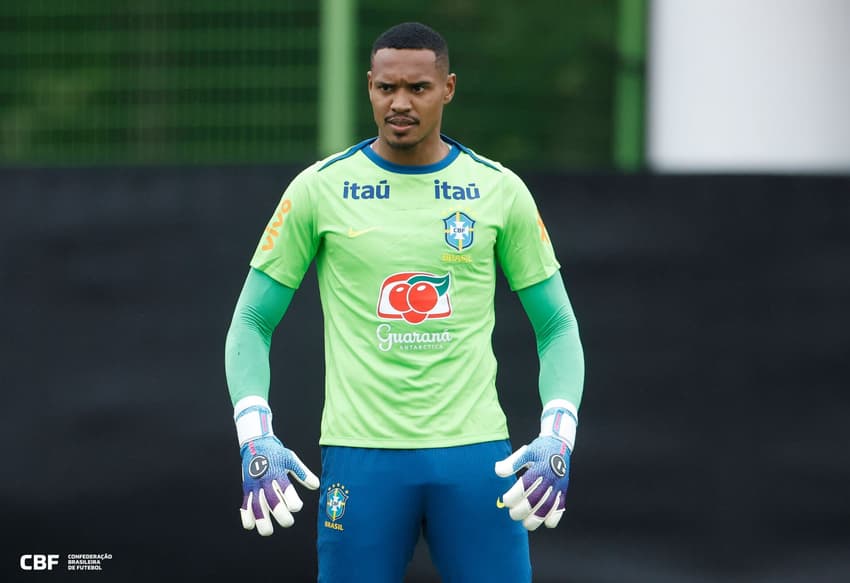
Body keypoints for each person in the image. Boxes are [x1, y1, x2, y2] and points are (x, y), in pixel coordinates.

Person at [224, 21, 585, 583]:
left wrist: (557, 434)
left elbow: (557, 325)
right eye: (386, 88)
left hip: (474, 456)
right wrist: (254, 434)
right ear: (368, 86)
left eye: (418, 88)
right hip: (361, 457)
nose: (400, 103)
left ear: (449, 89)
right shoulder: (319, 189)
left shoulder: (499, 190)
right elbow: (251, 320)